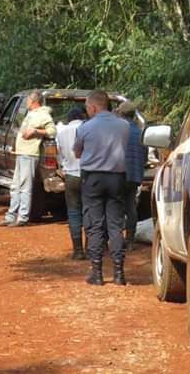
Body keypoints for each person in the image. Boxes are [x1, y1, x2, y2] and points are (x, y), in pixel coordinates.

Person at [74, 90, 130, 286]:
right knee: (115, 224)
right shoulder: (124, 126)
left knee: (94, 223)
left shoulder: (84, 128)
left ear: (93, 107)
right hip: (117, 178)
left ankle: (97, 273)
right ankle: (119, 272)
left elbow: (77, 152)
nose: (87, 111)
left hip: (93, 179)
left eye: (88, 108)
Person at [0, 91, 56, 227]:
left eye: (28, 100)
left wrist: (36, 131)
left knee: (25, 186)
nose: (27, 102)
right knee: (16, 185)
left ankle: (22, 217)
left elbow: (52, 130)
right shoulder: (31, 114)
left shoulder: (43, 114)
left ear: (34, 101)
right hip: (22, 153)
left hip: (30, 154)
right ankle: (11, 215)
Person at [55, 107, 87, 260]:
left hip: (70, 176)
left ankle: (78, 250)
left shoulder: (61, 132)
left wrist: (63, 167)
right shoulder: (86, 128)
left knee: (74, 212)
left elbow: (59, 155)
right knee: (89, 211)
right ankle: (92, 247)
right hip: (87, 175)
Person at [115, 101, 147, 251]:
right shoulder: (140, 132)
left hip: (119, 173)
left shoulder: (117, 131)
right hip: (134, 174)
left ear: (120, 114)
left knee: (116, 206)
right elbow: (145, 156)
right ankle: (130, 240)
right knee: (130, 206)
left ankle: (117, 239)